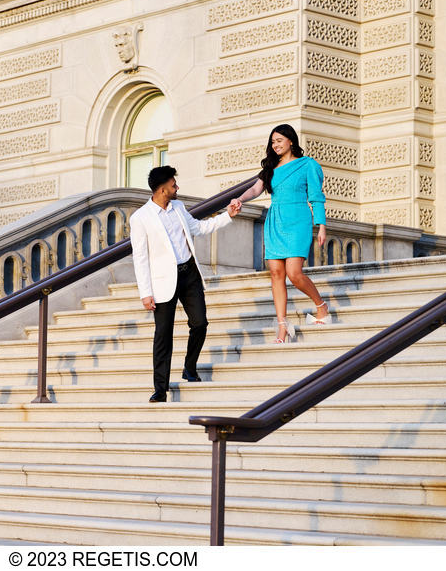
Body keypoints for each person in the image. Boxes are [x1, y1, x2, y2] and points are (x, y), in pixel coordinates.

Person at [129, 166, 240, 402]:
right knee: (163, 335)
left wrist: (227, 215)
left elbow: (199, 228)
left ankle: (190, 367)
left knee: (200, 323)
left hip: (188, 273)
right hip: (162, 282)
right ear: (161, 190)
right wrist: (145, 293)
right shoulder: (140, 218)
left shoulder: (178, 207)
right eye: (173, 185)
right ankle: (160, 388)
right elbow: (140, 257)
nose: (177, 188)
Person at [230, 124, 330, 344]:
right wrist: (240, 199)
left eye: (279, 141)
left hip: (298, 220)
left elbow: (316, 196)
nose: (275, 145)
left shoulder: (307, 165)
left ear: (291, 141)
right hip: (275, 221)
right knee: (276, 273)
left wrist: (321, 225)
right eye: (272, 142)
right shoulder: (271, 168)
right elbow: (256, 189)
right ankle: (282, 326)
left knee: (294, 273)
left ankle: (321, 307)